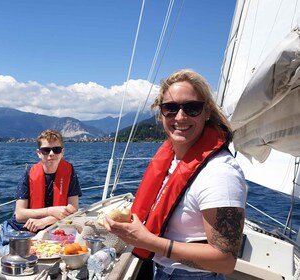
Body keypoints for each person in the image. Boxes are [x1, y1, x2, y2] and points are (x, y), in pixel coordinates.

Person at [104, 69, 247, 279]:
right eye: (170, 108)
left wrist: (147, 241)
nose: (180, 117)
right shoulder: (173, 161)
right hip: (161, 269)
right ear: (161, 113)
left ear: (207, 112)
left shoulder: (220, 174)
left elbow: (224, 261)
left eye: (192, 108)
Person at [0, 129, 82, 261]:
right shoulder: (29, 174)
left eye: (56, 150)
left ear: (62, 152)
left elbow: (73, 210)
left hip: (32, 236)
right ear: (39, 153)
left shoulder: (70, 172)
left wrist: (45, 221)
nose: (51, 154)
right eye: (46, 150)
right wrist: (51, 211)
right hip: (8, 229)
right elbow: (19, 215)